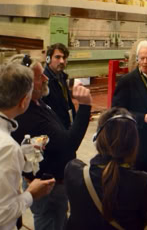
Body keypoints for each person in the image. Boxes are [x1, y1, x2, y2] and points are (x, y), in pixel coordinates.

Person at [10, 54, 92, 230]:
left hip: (55, 186)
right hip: (46, 191)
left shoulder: (38, 103)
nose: (46, 77)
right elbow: (68, 145)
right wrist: (85, 106)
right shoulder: (28, 115)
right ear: (27, 86)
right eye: (40, 77)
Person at [64, 107, 147, 230]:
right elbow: (141, 222)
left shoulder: (73, 171)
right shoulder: (142, 182)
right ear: (134, 144)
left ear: (97, 138)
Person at [112, 41, 147, 225]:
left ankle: (144, 213)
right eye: (141, 58)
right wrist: (143, 118)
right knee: (132, 181)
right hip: (134, 141)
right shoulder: (128, 81)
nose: (144, 62)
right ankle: (131, 217)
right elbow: (117, 110)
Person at [0, 62, 55, 230]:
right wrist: (31, 194)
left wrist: (21, 155)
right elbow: (3, 215)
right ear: (24, 101)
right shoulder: (9, 147)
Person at [42, 43, 76, 130]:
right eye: (57, 57)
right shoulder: (44, 80)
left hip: (65, 125)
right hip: (53, 128)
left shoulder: (62, 76)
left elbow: (67, 102)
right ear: (48, 59)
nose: (61, 61)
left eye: (64, 58)